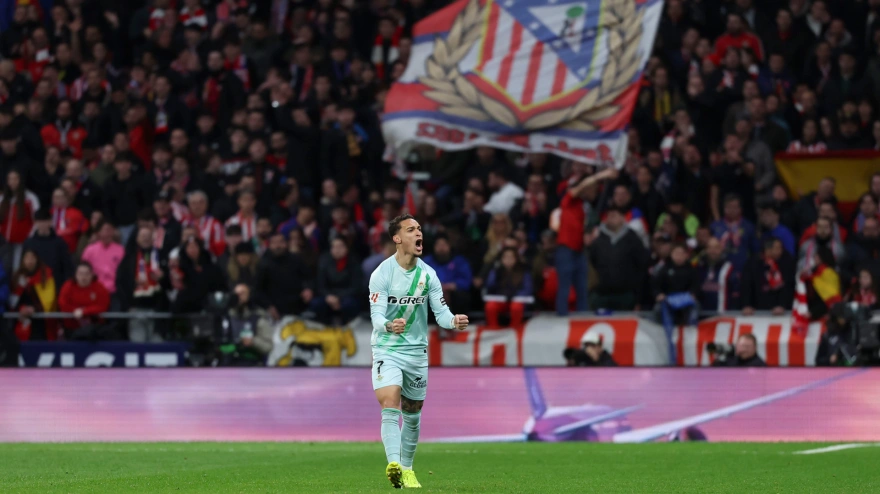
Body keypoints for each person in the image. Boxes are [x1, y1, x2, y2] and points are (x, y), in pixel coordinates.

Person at [368, 213, 469, 489]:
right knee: (390, 403)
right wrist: (389, 325)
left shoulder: (428, 274)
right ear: (397, 238)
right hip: (387, 348)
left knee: (412, 416)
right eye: (411, 229)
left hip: (416, 354)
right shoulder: (381, 274)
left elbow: (442, 313)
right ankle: (393, 464)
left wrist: (454, 321)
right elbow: (376, 317)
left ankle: (408, 468)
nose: (418, 233)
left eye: (420, 229)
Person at [556, 167, 618, 315]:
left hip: (579, 250)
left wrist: (589, 235)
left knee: (583, 288)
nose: (595, 191)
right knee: (564, 287)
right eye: (593, 188)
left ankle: (582, 318)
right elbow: (579, 187)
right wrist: (601, 175)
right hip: (566, 249)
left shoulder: (586, 207)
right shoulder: (568, 200)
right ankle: (561, 319)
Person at [310, 237, 362, 324]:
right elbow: (321, 284)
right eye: (334, 247)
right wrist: (328, 296)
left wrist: (338, 297)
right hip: (329, 295)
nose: (337, 250)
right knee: (316, 303)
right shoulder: (324, 262)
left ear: (346, 248)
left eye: (340, 246)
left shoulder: (354, 262)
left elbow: (356, 286)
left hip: (347, 295)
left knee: (349, 304)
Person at [10, 249, 58, 341]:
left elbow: (49, 300)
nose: (29, 261)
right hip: (20, 320)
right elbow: (12, 300)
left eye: (32, 257)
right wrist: (21, 308)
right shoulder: (17, 277)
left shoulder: (46, 276)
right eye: (27, 258)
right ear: (22, 260)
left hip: (41, 322)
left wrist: (34, 309)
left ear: (37, 259)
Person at [741, 238, 795, 315]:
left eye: (781, 248)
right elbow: (746, 286)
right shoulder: (753, 263)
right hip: (757, 310)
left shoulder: (786, 261)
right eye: (777, 248)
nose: (780, 251)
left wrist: (782, 305)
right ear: (768, 250)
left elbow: (788, 286)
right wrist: (746, 305)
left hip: (780, 310)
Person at [483, 247, 534, 328]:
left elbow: (528, 289)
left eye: (511, 257)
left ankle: (514, 328)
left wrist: (514, 296)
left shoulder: (523, 271)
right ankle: (493, 329)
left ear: (516, 259)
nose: (508, 260)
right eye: (505, 257)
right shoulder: (496, 271)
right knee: (490, 306)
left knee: (516, 307)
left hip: (517, 300)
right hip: (501, 300)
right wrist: (494, 274)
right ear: (501, 259)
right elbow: (489, 287)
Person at [57, 262, 111, 337]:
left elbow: (102, 306)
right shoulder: (68, 286)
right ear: (75, 275)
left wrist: (84, 311)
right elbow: (62, 304)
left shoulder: (99, 287)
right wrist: (74, 311)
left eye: (87, 274)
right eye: (80, 274)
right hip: (71, 328)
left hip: (95, 329)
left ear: (92, 275)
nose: (83, 277)